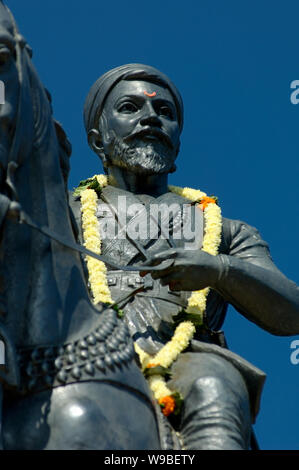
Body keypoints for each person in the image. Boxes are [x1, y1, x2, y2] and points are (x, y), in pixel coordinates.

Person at [70, 64, 299, 450]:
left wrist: (220, 270)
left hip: (190, 362)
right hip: (87, 354)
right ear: (98, 139)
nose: (150, 118)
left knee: (215, 386)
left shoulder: (222, 229)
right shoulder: (65, 214)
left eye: (165, 113)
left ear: (177, 140)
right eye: (130, 108)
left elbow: (291, 311)